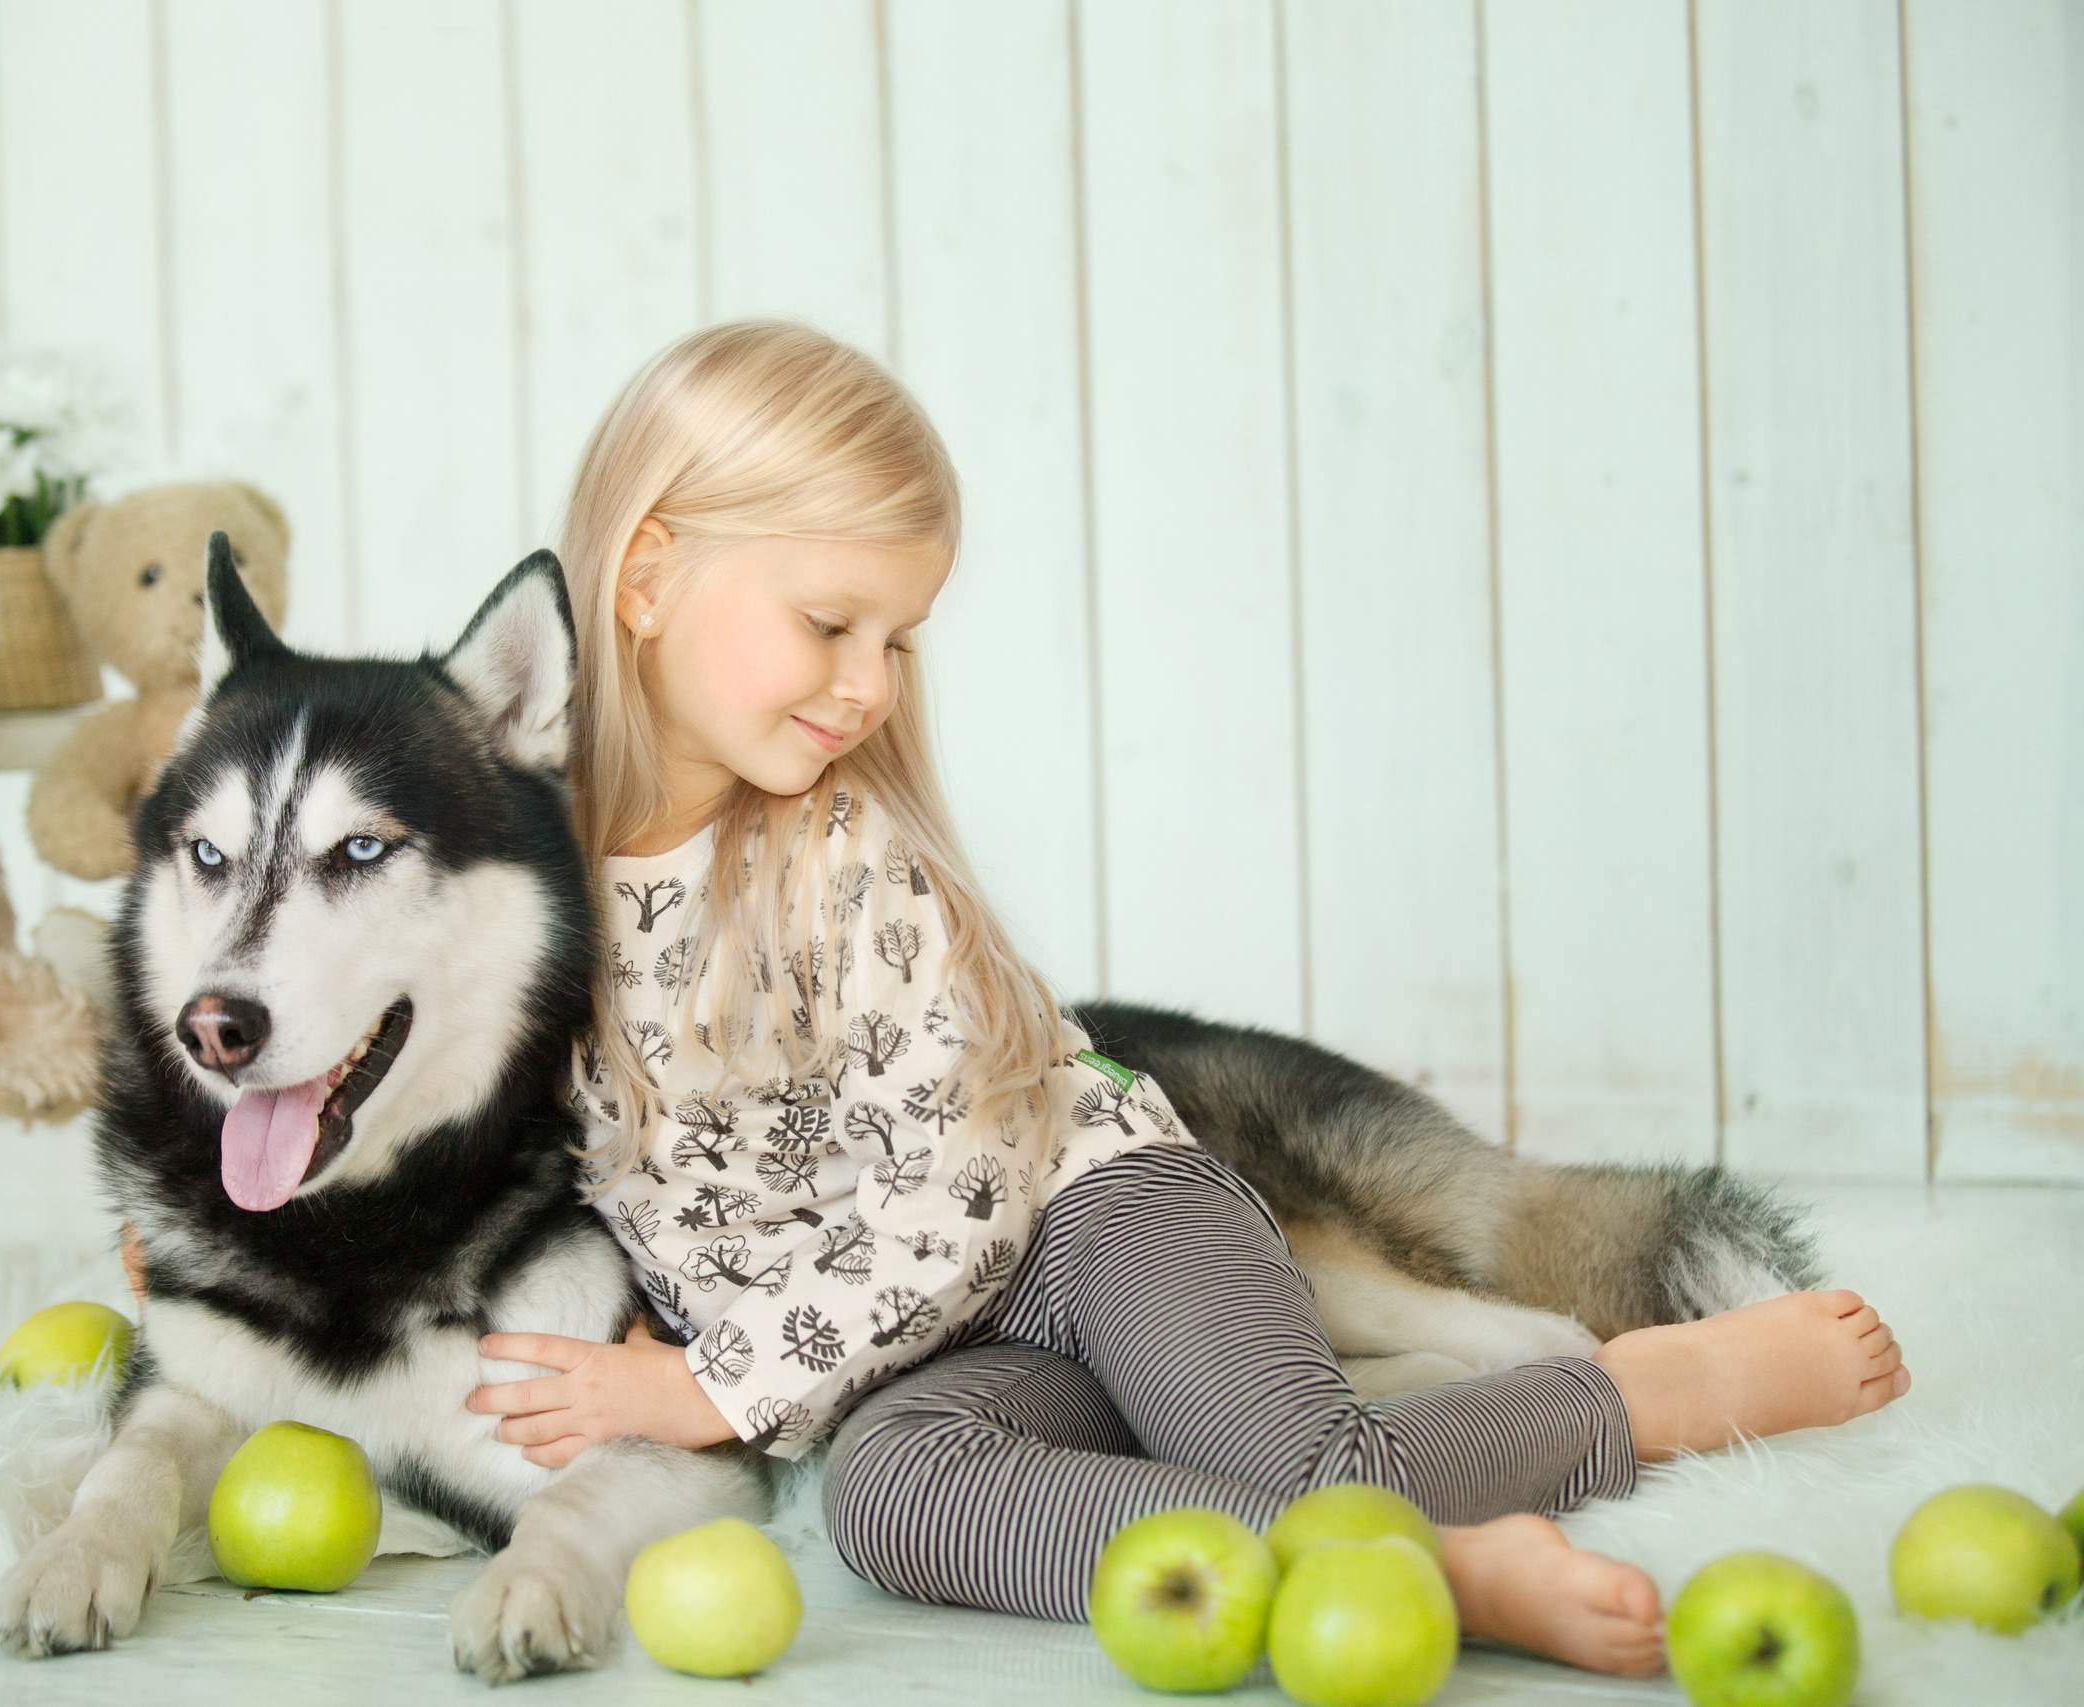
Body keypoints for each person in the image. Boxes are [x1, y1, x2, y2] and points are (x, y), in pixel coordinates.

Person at [464, 320, 1909, 1677]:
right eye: (832, 622)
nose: (870, 687)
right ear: (647, 579)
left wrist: (713, 1389)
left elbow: (961, 1199)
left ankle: (1654, 1392)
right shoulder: (517, 875)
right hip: (920, 1355)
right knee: (893, 1503)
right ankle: (1438, 1567)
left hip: (1087, 1220)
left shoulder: (845, 861)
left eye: (893, 641)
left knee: (1304, 1458)